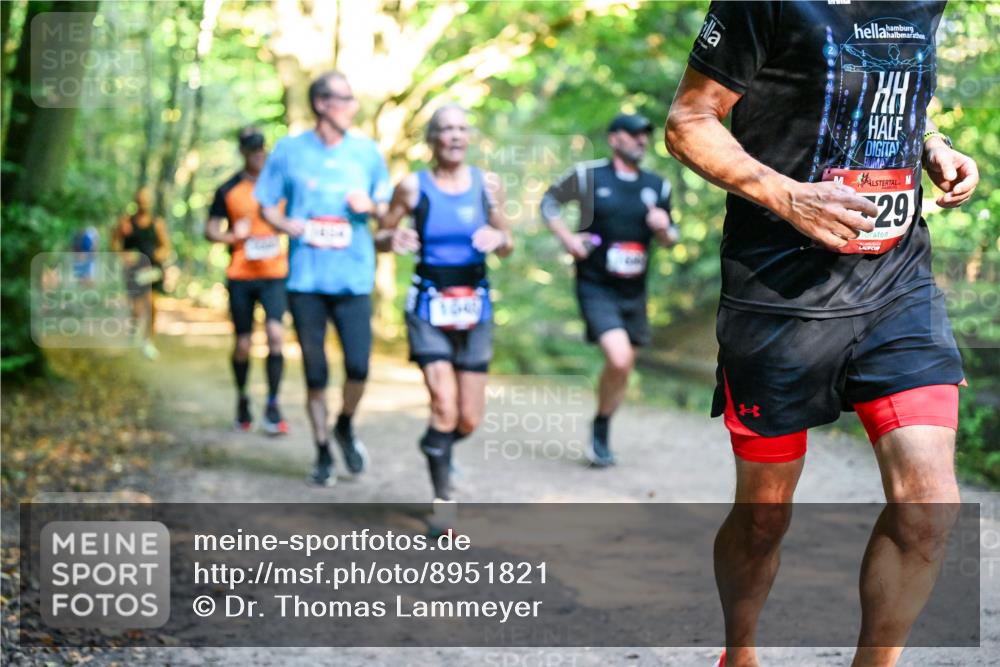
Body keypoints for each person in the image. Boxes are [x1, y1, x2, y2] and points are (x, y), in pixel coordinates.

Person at [665, 3, 978, 666]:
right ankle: (740, 652)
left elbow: (899, 90)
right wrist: (786, 195)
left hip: (896, 284)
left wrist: (930, 146)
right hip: (778, 293)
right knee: (764, 517)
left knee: (930, 506)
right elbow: (688, 120)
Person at [255, 71, 391, 487]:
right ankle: (321, 449)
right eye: (344, 99)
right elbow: (266, 205)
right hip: (306, 282)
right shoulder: (290, 150)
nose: (352, 106)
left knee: (358, 367)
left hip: (352, 277)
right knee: (316, 373)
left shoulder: (367, 152)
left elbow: (387, 210)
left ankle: (345, 425)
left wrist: (370, 205)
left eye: (353, 99)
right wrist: (285, 223)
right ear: (320, 104)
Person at [377, 104, 513, 502]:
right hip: (429, 306)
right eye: (446, 129)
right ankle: (443, 505)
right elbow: (380, 236)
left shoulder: (487, 185)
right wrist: (394, 239)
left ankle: (437, 445)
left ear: (468, 138)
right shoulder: (412, 187)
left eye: (461, 129)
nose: (454, 135)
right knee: (443, 405)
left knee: (467, 419)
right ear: (432, 139)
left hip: (476, 307)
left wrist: (498, 238)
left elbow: (508, 244)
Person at [540, 113, 678, 467]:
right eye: (634, 135)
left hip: (634, 291)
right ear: (615, 139)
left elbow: (671, 237)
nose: (642, 141)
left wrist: (663, 230)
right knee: (620, 358)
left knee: (623, 366)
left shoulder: (657, 186)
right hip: (595, 284)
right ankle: (601, 426)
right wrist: (568, 239)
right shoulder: (588, 176)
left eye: (645, 136)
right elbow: (549, 202)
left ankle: (602, 424)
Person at [205, 127, 289, 434]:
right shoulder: (227, 189)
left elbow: (296, 217)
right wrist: (232, 236)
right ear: (242, 152)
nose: (257, 154)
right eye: (251, 150)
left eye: (261, 149)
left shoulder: (280, 186)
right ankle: (242, 399)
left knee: (276, 335)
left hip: (275, 274)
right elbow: (210, 230)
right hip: (241, 275)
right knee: (243, 343)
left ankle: (273, 404)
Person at [111, 186, 171, 360]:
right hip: (133, 271)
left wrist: (160, 254)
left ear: (150, 202)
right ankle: (133, 334)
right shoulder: (126, 222)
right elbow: (114, 243)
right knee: (136, 307)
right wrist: (123, 255)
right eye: (140, 199)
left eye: (146, 199)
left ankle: (148, 342)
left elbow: (166, 246)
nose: (143, 203)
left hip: (152, 270)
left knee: (152, 305)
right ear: (136, 201)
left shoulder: (157, 223)